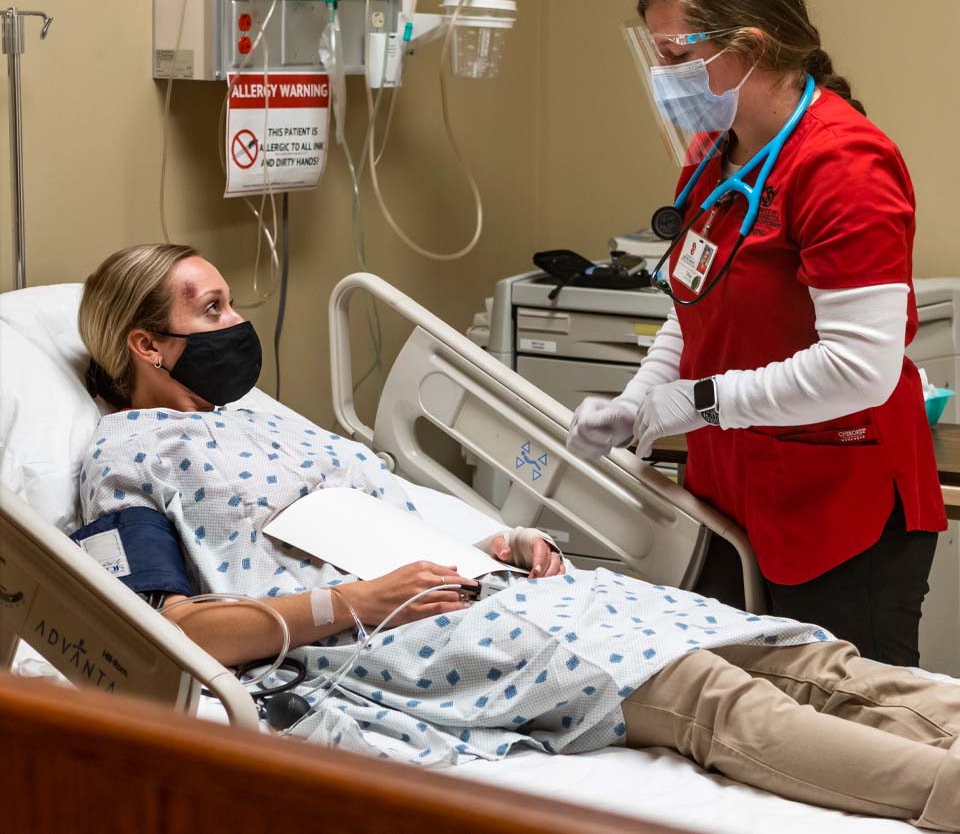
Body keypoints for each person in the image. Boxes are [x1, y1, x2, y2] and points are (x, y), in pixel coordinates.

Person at [74, 243, 960, 829]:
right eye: (210, 309)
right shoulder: (125, 458)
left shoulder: (277, 424)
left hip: (475, 587)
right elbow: (171, 628)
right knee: (703, 693)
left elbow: (389, 507)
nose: (235, 323)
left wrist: (496, 544)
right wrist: (355, 601)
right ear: (147, 345)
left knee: (797, 657)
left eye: (230, 302)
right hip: (394, 635)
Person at [567, 0, 946, 667]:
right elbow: (692, 308)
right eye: (657, 55)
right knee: (738, 725)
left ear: (749, 43)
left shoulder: (845, 164)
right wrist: (637, 399)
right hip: (731, 497)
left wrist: (692, 404)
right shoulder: (714, 155)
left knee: (843, 741)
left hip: (841, 514)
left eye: (677, 56)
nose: (662, 75)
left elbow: (856, 369)